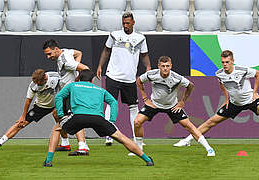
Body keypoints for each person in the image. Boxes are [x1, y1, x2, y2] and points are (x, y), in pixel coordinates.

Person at [174, 50, 259, 149]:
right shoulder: (219, 73)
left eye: (227, 62)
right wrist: (227, 99)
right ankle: (188, 139)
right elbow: (221, 84)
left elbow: (258, 74)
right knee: (211, 121)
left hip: (250, 100)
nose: (225, 64)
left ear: (232, 61)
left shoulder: (242, 70)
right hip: (234, 103)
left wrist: (255, 92)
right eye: (223, 62)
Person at [43, 69, 154, 167]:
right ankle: (147, 160)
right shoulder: (100, 90)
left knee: (56, 129)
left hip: (78, 117)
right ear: (92, 80)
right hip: (98, 119)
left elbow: (59, 97)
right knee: (122, 138)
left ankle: (48, 161)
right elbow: (113, 102)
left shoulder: (72, 85)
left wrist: (62, 115)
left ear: (78, 79)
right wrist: (111, 120)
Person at [132, 56, 215, 157]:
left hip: (172, 106)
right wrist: (145, 98)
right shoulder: (151, 74)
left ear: (171, 66)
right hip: (154, 104)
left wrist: (182, 102)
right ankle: (138, 149)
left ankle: (209, 149)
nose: (165, 68)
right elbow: (139, 81)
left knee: (189, 126)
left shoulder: (176, 77)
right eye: (163, 66)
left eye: (167, 66)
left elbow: (190, 86)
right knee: (137, 122)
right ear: (159, 66)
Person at [96, 12, 151, 146]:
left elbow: (144, 55)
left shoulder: (140, 38)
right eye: (123, 23)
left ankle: (136, 137)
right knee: (110, 103)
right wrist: (100, 66)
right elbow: (106, 50)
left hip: (130, 78)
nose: (125, 25)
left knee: (133, 107)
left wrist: (148, 66)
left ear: (133, 22)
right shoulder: (114, 35)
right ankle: (109, 135)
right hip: (113, 75)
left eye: (127, 23)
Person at [0, 69, 60, 151]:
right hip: (41, 106)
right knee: (20, 124)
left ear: (45, 78)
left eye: (39, 84)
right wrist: (23, 116)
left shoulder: (56, 76)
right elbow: (28, 101)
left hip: (57, 103)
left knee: (60, 120)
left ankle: (66, 143)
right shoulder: (33, 86)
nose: (37, 85)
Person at [43, 39, 90, 155]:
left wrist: (77, 79)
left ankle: (83, 146)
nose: (48, 57)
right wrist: (76, 73)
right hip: (65, 92)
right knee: (56, 114)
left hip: (71, 92)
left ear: (56, 49)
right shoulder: (66, 52)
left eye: (49, 54)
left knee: (74, 117)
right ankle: (65, 143)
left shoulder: (66, 61)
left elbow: (86, 69)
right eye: (46, 54)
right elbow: (79, 53)